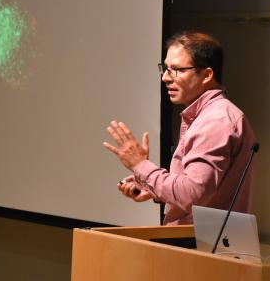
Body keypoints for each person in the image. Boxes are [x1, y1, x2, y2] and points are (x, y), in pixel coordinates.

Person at [103, 31, 256, 225]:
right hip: (198, 244)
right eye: (166, 69)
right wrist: (152, 187)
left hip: (203, 248)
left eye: (177, 70)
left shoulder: (215, 121)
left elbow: (192, 195)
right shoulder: (205, 116)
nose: (166, 78)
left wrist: (140, 165)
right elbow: (200, 192)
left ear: (207, 75)